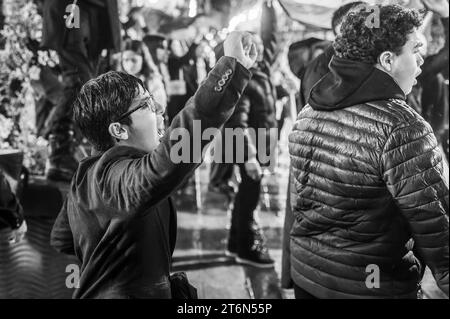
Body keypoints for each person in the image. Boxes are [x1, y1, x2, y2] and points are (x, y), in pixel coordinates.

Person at [50, 31, 256, 299]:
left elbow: (62, 237)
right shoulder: (112, 180)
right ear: (119, 130)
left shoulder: (86, 173)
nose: (159, 108)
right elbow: (174, 154)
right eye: (146, 105)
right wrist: (231, 67)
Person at [287, 4, 449, 299]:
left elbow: (302, 203)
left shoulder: (309, 112)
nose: (422, 60)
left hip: (309, 277)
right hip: (372, 287)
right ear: (388, 60)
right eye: (415, 50)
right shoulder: (403, 127)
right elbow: (435, 227)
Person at [211, 0, 279, 268]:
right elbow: (236, 123)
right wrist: (250, 156)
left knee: (247, 194)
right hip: (249, 145)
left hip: (262, 141)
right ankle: (246, 246)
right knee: (248, 196)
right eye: (253, 46)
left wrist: (270, 8)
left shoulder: (260, 70)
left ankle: (235, 241)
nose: (260, 49)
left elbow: (271, 41)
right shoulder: (244, 78)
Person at [40, 0, 121, 182]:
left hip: (99, 12)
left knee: (91, 83)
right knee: (80, 80)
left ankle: (65, 150)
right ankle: (58, 153)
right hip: (72, 7)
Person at [120, 39, 167, 109]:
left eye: (134, 60)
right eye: (126, 60)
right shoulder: (119, 80)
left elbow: (160, 108)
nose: (129, 64)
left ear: (144, 60)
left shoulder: (153, 80)